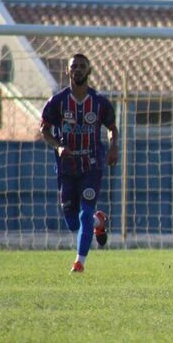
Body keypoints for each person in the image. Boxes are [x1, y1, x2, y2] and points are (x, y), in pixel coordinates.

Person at [40, 53, 118, 273]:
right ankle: (98, 223)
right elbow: (44, 130)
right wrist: (59, 146)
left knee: (85, 212)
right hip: (66, 168)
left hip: (92, 165)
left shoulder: (99, 102)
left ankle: (79, 262)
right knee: (73, 222)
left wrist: (113, 147)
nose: (78, 70)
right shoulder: (57, 102)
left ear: (89, 71)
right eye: (74, 66)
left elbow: (112, 128)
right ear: (68, 71)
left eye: (83, 66)